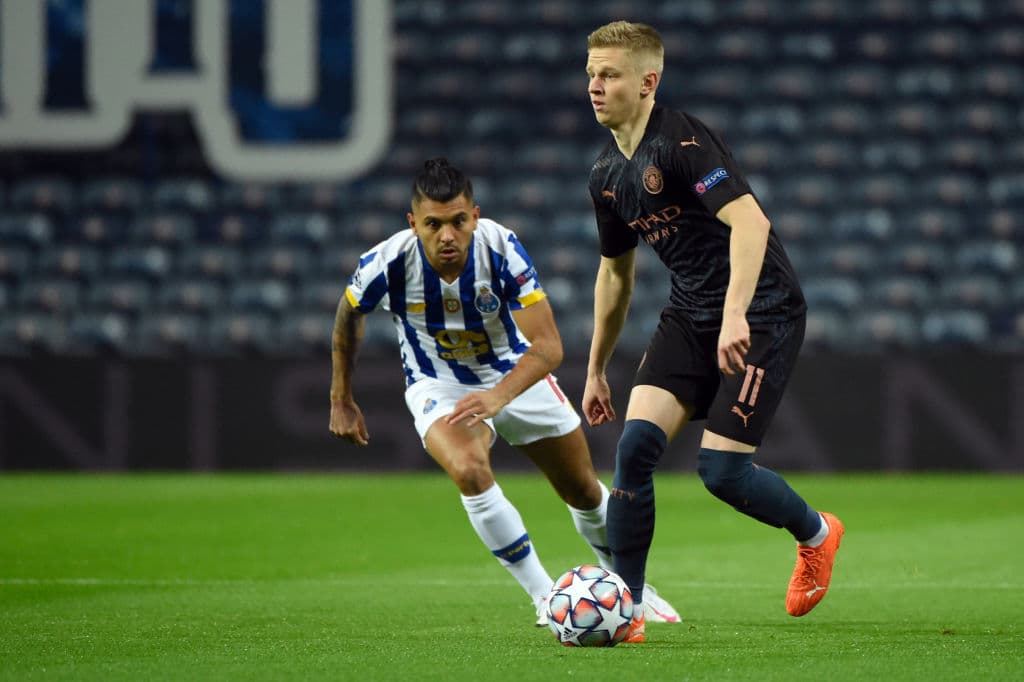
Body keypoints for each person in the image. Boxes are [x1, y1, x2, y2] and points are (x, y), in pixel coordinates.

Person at [329, 158, 679, 627]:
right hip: (439, 382)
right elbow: (347, 316)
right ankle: (544, 597)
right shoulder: (387, 263)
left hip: (516, 372)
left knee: (584, 492)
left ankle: (631, 590)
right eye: (433, 224)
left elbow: (549, 347)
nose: (447, 235)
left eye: (458, 221)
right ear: (414, 224)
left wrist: (498, 397)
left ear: (474, 214)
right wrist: (341, 398)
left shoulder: (500, 248)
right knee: (470, 471)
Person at [580, 21, 845, 643]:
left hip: (762, 313)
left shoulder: (682, 141)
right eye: (591, 73)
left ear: (648, 82)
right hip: (691, 311)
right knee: (633, 452)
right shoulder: (605, 176)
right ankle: (630, 610)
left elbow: (750, 225)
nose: (595, 85)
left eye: (609, 74)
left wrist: (735, 316)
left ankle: (816, 534)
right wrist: (595, 368)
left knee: (721, 474)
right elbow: (614, 275)